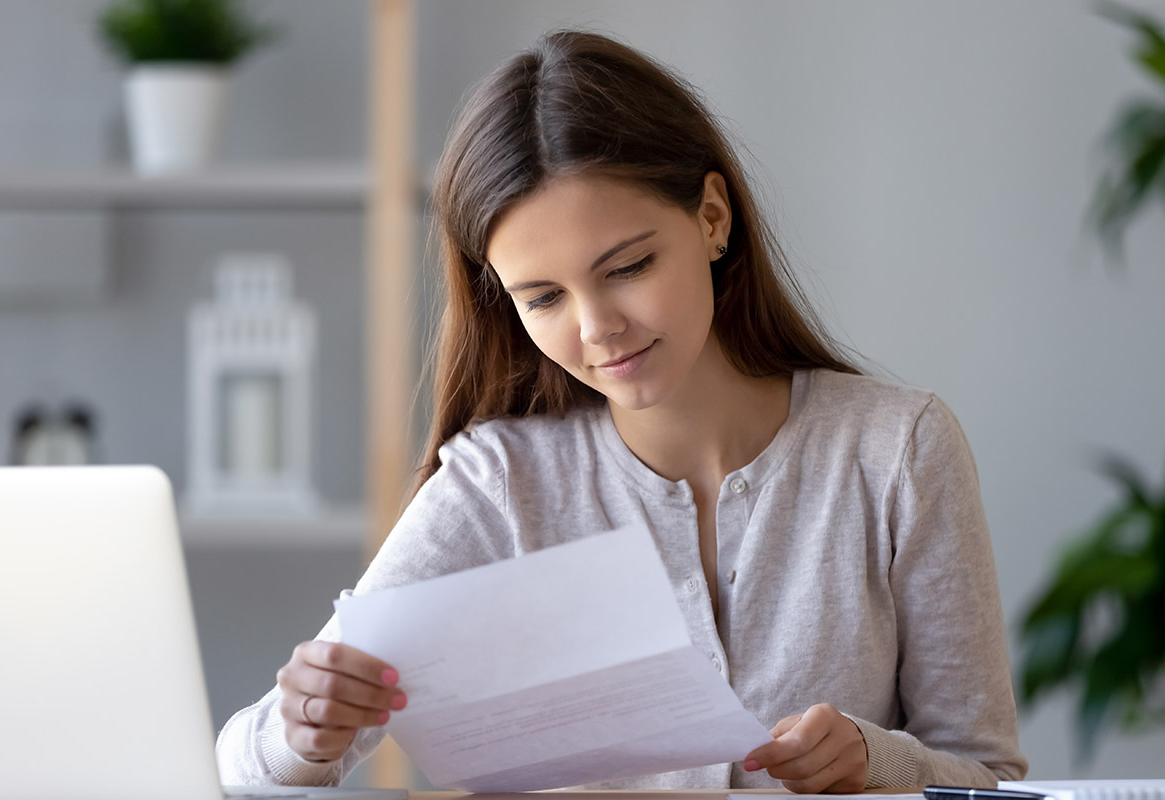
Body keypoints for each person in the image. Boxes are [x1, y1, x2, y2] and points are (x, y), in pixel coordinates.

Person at [216, 30, 1028, 792]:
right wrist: (303, 731)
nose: (597, 327)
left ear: (713, 217)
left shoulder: (896, 450)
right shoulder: (500, 482)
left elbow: (988, 774)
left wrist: (874, 758)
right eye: (542, 298)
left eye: (629, 266)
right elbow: (239, 761)